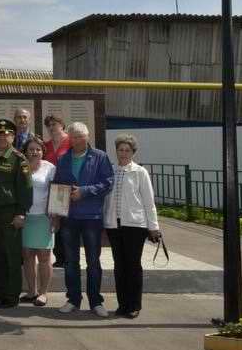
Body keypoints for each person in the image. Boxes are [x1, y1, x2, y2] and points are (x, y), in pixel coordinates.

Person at [53, 122, 114, 317]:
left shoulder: (100, 157)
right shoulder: (63, 159)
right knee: (70, 261)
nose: (78, 140)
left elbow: (108, 182)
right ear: (69, 138)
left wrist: (85, 191)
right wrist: (56, 213)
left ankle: (96, 301)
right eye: (74, 136)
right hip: (69, 217)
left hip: (91, 217)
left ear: (88, 136)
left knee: (93, 261)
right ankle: (73, 299)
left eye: (81, 136)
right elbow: (58, 186)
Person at [104, 134, 161, 319]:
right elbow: (106, 199)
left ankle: (134, 305)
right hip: (114, 225)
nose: (123, 153)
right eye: (120, 150)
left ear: (133, 152)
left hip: (135, 226)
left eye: (127, 150)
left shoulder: (139, 172)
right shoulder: (111, 170)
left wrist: (153, 227)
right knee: (119, 266)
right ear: (116, 151)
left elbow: (148, 202)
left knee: (133, 266)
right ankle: (122, 304)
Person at [0, 119, 32, 309]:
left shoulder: (19, 159)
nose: (2, 137)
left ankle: (11, 295)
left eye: (6, 134)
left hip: (10, 212)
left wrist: (21, 213)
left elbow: (26, 189)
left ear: (13, 136)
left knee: (11, 255)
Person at [20, 136, 56, 307]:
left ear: (43, 151)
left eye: (38, 149)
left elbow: (56, 192)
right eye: (31, 149)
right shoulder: (21, 166)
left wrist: (55, 216)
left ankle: (43, 293)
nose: (34, 152)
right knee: (27, 256)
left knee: (44, 256)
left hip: (44, 217)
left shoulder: (50, 168)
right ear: (26, 151)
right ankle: (31, 291)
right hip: (25, 217)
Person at [43, 114, 70, 268]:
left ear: (62, 125)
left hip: (67, 187)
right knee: (55, 223)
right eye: (49, 125)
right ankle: (59, 257)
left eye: (54, 124)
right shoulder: (45, 145)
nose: (52, 127)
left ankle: (68, 257)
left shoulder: (70, 141)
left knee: (66, 224)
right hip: (51, 188)